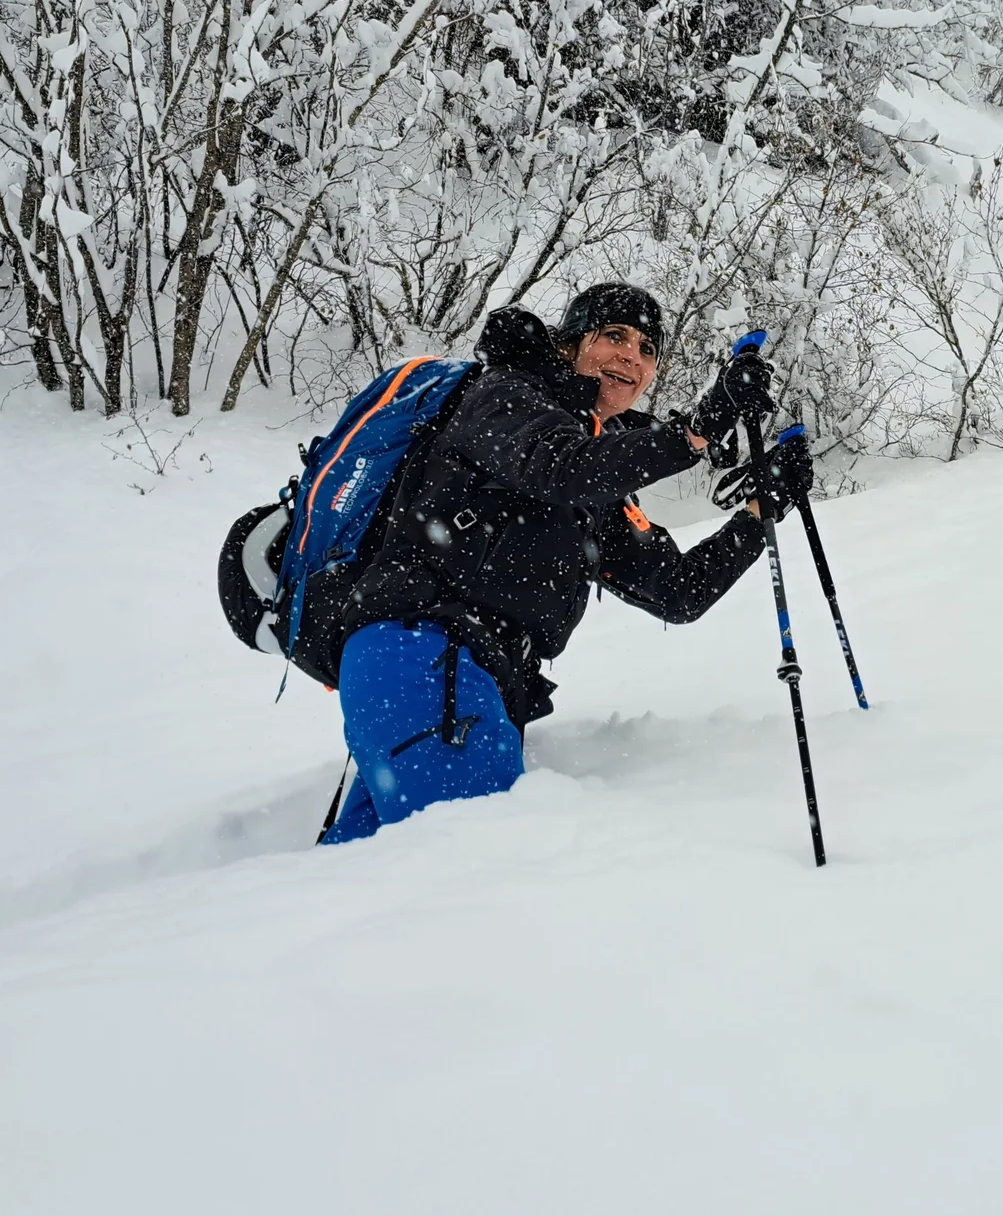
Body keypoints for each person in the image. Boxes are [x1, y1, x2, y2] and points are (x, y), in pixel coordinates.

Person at [319, 283, 811, 844]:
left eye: (648, 348)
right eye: (615, 336)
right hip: (422, 652)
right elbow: (562, 466)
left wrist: (759, 512)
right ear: (570, 345)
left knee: (377, 892)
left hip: (474, 680)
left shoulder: (593, 482)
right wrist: (697, 428)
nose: (633, 355)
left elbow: (677, 590)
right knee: (468, 871)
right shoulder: (508, 395)